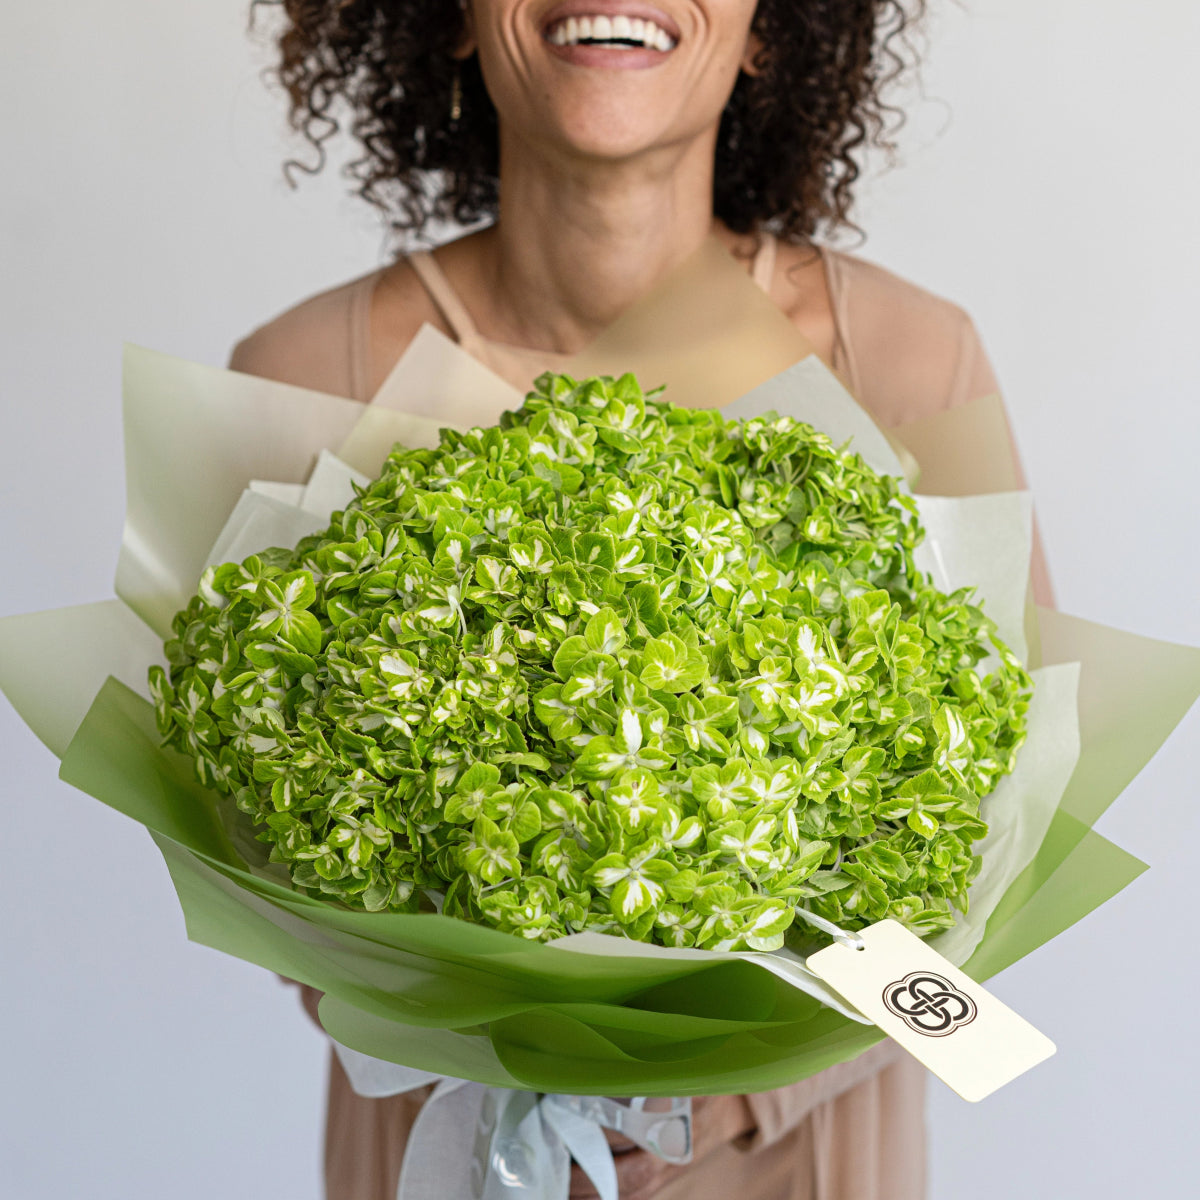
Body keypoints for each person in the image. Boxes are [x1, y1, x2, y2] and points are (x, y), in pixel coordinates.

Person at [230, 2, 1053, 1197]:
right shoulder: (302, 378)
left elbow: (1001, 881)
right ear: (449, 22)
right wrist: (476, 1038)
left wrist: (742, 1088)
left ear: (772, 29)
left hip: (797, 1167)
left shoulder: (908, 361)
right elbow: (263, 865)